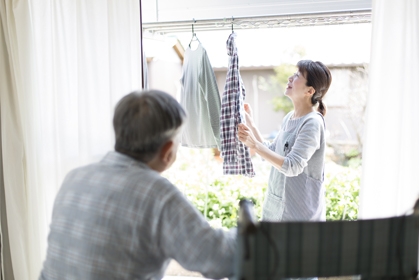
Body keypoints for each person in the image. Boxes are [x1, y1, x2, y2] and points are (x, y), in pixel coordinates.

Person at [39, 90, 236, 279]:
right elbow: (220, 260)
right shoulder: (159, 194)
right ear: (168, 151)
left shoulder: (74, 178)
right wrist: (248, 230)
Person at [238, 60, 332, 222]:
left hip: (300, 217)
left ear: (309, 90)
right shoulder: (290, 117)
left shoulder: (312, 122)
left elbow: (292, 166)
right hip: (276, 211)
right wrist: (251, 124)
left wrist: (254, 144)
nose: (290, 78)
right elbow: (272, 152)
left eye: (297, 76)